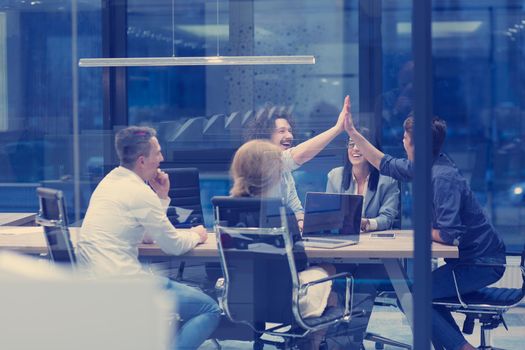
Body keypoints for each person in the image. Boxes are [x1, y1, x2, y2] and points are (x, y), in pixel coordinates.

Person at [342, 96, 506, 350]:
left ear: (414, 143)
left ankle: (462, 348)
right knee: (413, 295)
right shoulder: (427, 165)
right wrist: (352, 131)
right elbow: (383, 163)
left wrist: (419, 229)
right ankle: (457, 346)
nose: (402, 140)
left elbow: (448, 235)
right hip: (472, 259)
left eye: (405, 137)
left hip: (483, 263)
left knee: (414, 297)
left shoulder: (442, 177)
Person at [77, 126, 221, 350]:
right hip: (124, 285)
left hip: (94, 284)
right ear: (142, 161)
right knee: (210, 309)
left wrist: (162, 198)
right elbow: (173, 246)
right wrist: (197, 235)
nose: (162, 159)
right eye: (158, 153)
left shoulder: (109, 182)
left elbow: (146, 237)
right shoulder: (138, 192)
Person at [229, 139, 338, 350]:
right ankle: (309, 344)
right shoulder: (281, 213)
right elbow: (299, 262)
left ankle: (300, 341)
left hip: (242, 298)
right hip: (284, 301)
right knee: (329, 278)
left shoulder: (227, 209)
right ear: (272, 174)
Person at [244, 98, 350, 230]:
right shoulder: (261, 161)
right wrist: (337, 129)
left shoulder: (286, 173)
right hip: (258, 237)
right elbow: (298, 156)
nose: (289, 136)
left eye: (290, 131)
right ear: (266, 136)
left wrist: (304, 221)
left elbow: (296, 210)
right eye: (282, 131)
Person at [326, 128, 399, 232]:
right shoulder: (335, 176)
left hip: (374, 242)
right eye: (351, 144)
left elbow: (388, 218)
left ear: (372, 149)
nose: (355, 148)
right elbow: (329, 216)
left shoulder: (387, 180)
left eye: (360, 144)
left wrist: (367, 223)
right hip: (344, 239)